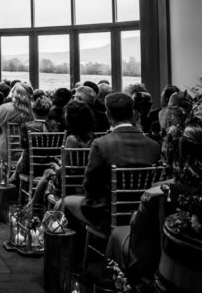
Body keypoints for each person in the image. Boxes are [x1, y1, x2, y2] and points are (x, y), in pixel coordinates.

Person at [63, 93, 161, 235]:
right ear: (133, 114)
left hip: (107, 216)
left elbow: (89, 186)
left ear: (108, 116)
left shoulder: (101, 144)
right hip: (143, 216)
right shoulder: (154, 146)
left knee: (66, 202)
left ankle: (76, 247)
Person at [0, 82, 34, 164]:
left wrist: (3, 135)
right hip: (27, 153)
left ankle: (1, 170)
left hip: (4, 150)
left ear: (13, 94)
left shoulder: (3, 108)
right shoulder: (32, 110)